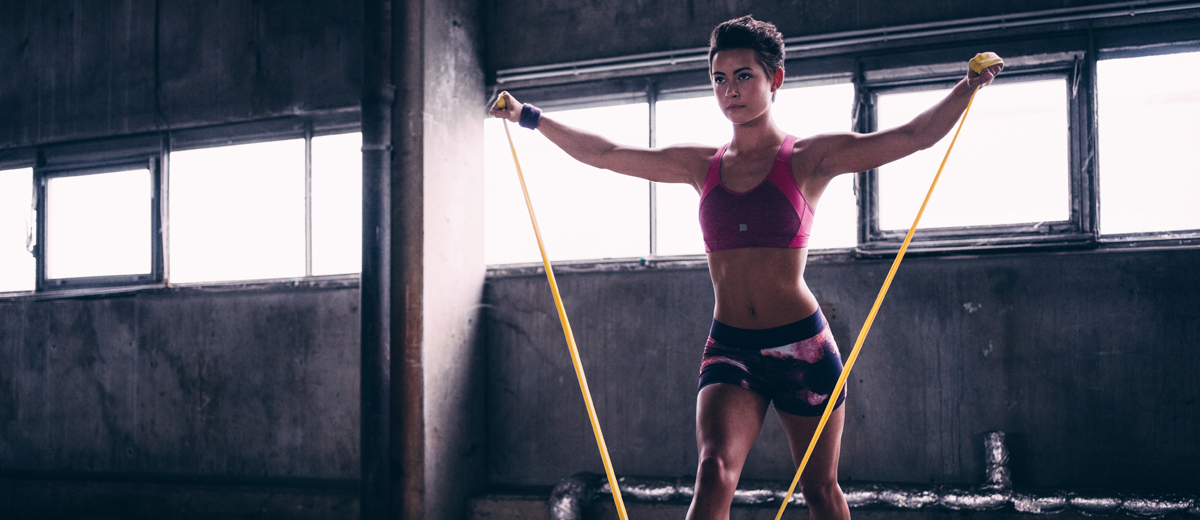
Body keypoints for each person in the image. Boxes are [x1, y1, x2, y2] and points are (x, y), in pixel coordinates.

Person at [490, 14, 1002, 520]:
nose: (729, 91)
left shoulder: (809, 158)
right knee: (714, 473)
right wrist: (527, 116)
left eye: (743, 76)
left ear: (774, 79)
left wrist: (967, 85)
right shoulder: (700, 164)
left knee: (820, 491)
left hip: (802, 345)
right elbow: (606, 153)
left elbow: (912, 136)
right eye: (718, 78)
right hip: (730, 348)